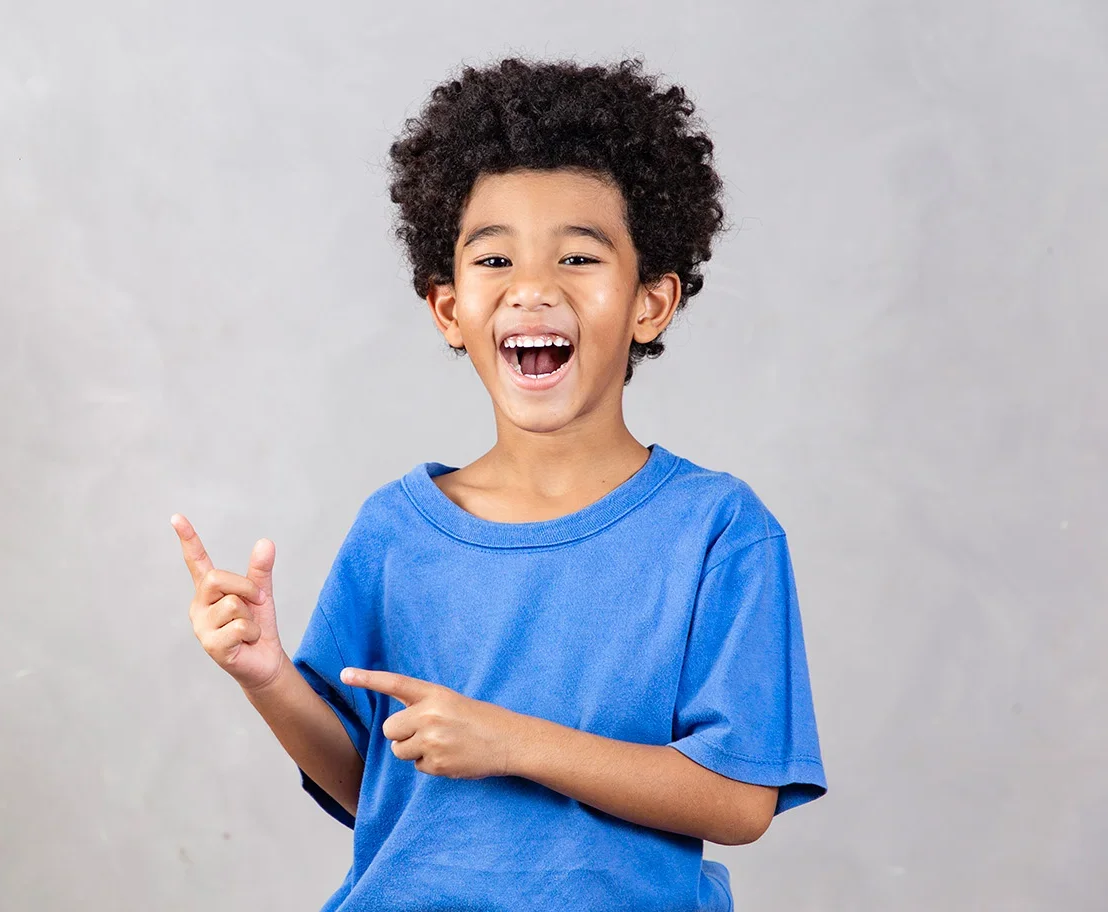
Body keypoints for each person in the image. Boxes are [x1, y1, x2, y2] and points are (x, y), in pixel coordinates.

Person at [173, 55, 827, 911]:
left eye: (580, 257)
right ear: (448, 309)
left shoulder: (717, 530)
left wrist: (509, 741)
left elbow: (739, 801)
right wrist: (267, 678)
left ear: (651, 303)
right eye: (493, 261)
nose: (532, 289)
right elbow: (365, 786)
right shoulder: (396, 532)